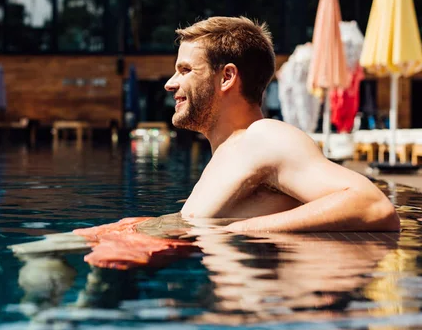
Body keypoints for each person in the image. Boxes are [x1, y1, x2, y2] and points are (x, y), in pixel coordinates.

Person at [164, 16, 399, 232]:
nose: (170, 84)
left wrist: (234, 231)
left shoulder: (263, 137)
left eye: (185, 70)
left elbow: (372, 205)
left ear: (226, 77)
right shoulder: (230, 153)